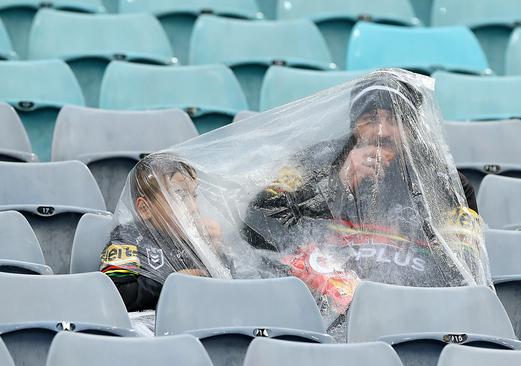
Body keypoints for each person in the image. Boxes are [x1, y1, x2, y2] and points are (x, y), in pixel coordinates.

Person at [242, 72, 484, 318]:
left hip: (412, 315)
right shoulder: (314, 163)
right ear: (353, 123)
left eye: (395, 120)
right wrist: (334, 187)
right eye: (371, 118)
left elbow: (463, 270)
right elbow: (256, 225)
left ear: (412, 128)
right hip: (321, 311)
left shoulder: (445, 184)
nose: (382, 131)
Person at [100, 153, 225, 311]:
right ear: (145, 209)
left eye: (194, 196)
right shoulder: (126, 239)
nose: (193, 207)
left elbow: (225, 285)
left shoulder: (195, 238)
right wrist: (169, 282)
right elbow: (114, 294)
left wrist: (216, 250)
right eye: (179, 196)